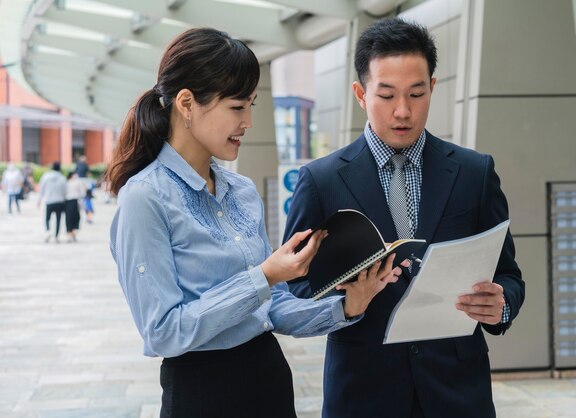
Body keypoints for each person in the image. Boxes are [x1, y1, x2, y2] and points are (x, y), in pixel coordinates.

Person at [106, 27, 403, 418]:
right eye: (236, 107)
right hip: (201, 393)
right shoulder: (145, 198)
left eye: (251, 105)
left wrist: (347, 306)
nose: (247, 121)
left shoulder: (241, 191)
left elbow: (273, 308)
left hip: (268, 379)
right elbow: (163, 331)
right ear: (186, 103)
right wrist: (263, 275)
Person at [284, 18, 525, 418]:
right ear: (361, 94)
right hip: (362, 394)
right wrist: (347, 302)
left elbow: (509, 274)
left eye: (416, 94)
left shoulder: (474, 172)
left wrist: (501, 305)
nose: (403, 111)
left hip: (458, 394)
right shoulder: (321, 181)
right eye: (387, 95)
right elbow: (293, 288)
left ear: (432, 87)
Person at [38, 162, 67, 243]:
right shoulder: (62, 178)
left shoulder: (46, 176)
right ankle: (56, 236)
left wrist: (39, 200)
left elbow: (42, 189)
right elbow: (65, 191)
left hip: (49, 200)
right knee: (58, 219)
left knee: (47, 218)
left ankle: (48, 231)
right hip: (60, 201)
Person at [65, 171, 86, 242]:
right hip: (75, 201)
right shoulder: (78, 182)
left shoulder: (66, 182)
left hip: (67, 202)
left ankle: (69, 234)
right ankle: (73, 232)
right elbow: (83, 193)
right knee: (76, 217)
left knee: (68, 218)